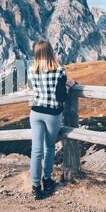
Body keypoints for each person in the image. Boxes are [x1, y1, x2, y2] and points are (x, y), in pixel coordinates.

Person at [28, 40, 76, 200]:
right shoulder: (60, 71)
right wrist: (69, 85)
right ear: (51, 53)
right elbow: (61, 97)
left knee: (36, 151)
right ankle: (47, 180)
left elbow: (35, 91)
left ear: (36, 54)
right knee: (49, 147)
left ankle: (35, 187)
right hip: (52, 114)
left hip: (35, 113)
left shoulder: (32, 71)